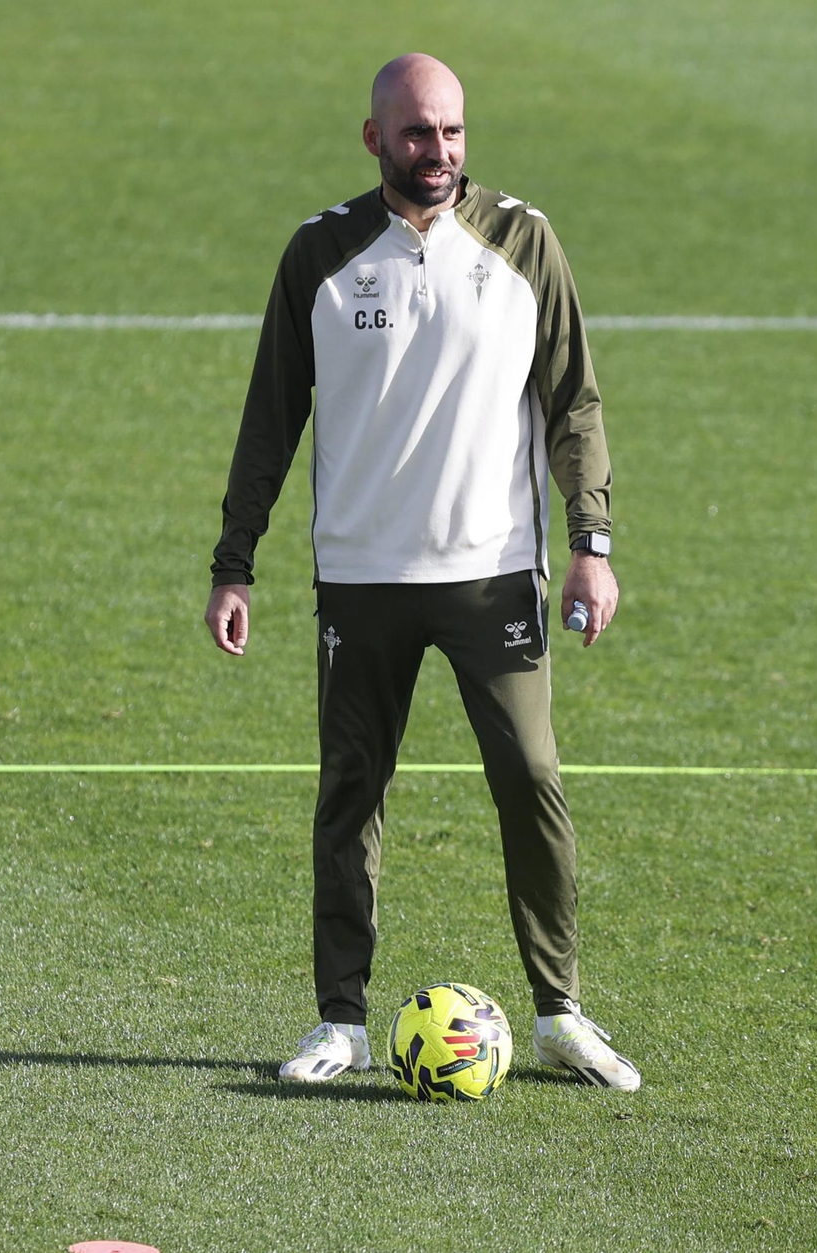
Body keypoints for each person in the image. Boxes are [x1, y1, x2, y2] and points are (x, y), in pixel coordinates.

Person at [204, 53, 639, 1090]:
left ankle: (560, 1012)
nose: (437, 151)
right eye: (415, 133)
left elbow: (573, 404)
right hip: (361, 577)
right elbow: (270, 418)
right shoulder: (320, 252)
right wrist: (235, 563)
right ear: (374, 139)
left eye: (451, 131)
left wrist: (592, 544)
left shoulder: (524, 241)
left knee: (530, 779)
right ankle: (341, 1022)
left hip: (496, 573)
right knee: (351, 792)